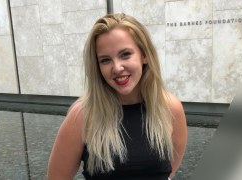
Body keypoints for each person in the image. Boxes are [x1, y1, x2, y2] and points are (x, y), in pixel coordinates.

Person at [47, 13, 187, 180]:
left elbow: (169, 170)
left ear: (144, 55)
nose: (117, 67)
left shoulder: (170, 108)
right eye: (105, 60)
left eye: (125, 54)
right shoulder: (82, 116)